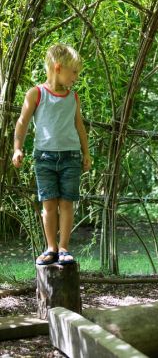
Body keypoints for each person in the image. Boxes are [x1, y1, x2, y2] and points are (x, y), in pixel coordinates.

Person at [12, 43, 91, 265]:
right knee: (48, 204)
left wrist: (86, 152)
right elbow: (22, 123)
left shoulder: (73, 97)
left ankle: (64, 248)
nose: (76, 77)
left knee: (67, 203)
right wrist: (17, 148)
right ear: (58, 67)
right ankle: (51, 248)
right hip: (44, 158)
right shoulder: (36, 94)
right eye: (74, 72)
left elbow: (79, 126)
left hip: (70, 158)